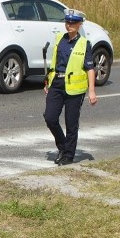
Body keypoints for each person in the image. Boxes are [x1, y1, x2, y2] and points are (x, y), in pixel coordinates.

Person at [43, 9, 98, 165]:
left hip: (75, 88)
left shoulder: (83, 44)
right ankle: (63, 146)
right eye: (67, 22)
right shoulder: (59, 38)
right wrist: (48, 80)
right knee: (50, 117)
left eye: (73, 23)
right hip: (57, 83)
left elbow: (90, 68)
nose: (69, 25)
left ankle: (68, 155)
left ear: (79, 24)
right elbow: (54, 62)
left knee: (71, 123)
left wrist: (92, 92)